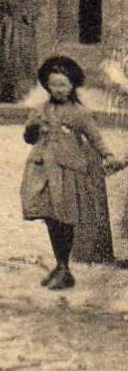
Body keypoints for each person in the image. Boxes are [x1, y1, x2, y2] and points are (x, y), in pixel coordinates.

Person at [21, 55, 126, 289]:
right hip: (42, 171)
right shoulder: (40, 110)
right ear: (47, 85)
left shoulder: (80, 113)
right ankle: (60, 265)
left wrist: (108, 155)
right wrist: (32, 128)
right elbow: (29, 139)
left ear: (72, 86)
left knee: (64, 218)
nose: (58, 89)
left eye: (63, 85)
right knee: (49, 217)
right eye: (53, 84)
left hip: (68, 171)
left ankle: (63, 267)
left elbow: (95, 137)